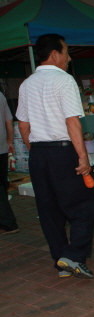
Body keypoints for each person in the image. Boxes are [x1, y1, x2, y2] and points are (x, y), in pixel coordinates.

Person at [16, 34, 94, 278]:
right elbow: (72, 121)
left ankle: (62, 260)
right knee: (83, 207)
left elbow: (23, 126)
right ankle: (72, 256)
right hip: (63, 152)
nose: (69, 58)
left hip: (39, 153)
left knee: (49, 210)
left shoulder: (26, 84)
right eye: (66, 52)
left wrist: (36, 151)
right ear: (55, 54)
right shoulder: (64, 80)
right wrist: (83, 157)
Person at [0, 91, 19, 235]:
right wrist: (9, 142)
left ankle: (8, 223)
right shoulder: (0, 95)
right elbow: (8, 121)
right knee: (2, 185)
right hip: (2, 148)